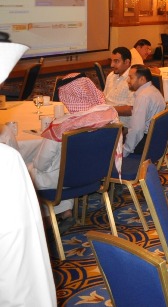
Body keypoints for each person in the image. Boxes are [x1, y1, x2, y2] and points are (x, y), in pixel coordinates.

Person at [30, 74, 119, 225]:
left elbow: (41, 164)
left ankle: (42, 219)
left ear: (66, 96)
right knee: (68, 166)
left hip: (64, 181)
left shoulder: (61, 126)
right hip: (95, 175)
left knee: (23, 170)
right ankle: (65, 210)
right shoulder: (110, 117)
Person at [0, 143, 58, 307]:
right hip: (78, 177)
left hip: (55, 180)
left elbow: (41, 163)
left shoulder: (6, 159)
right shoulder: (7, 158)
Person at [124, 64, 166, 156]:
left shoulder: (143, 97)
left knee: (110, 142)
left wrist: (125, 151)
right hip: (159, 139)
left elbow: (137, 129)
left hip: (147, 143)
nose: (128, 81)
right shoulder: (153, 90)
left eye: (131, 78)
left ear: (142, 79)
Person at [104, 46, 135, 126]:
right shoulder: (111, 75)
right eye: (111, 61)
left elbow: (131, 109)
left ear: (127, 62)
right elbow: (105, 97)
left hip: (121, 124)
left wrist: (107, 110)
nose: (112, 65)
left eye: (116, 61)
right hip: (106, 117)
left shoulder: (133, 79)